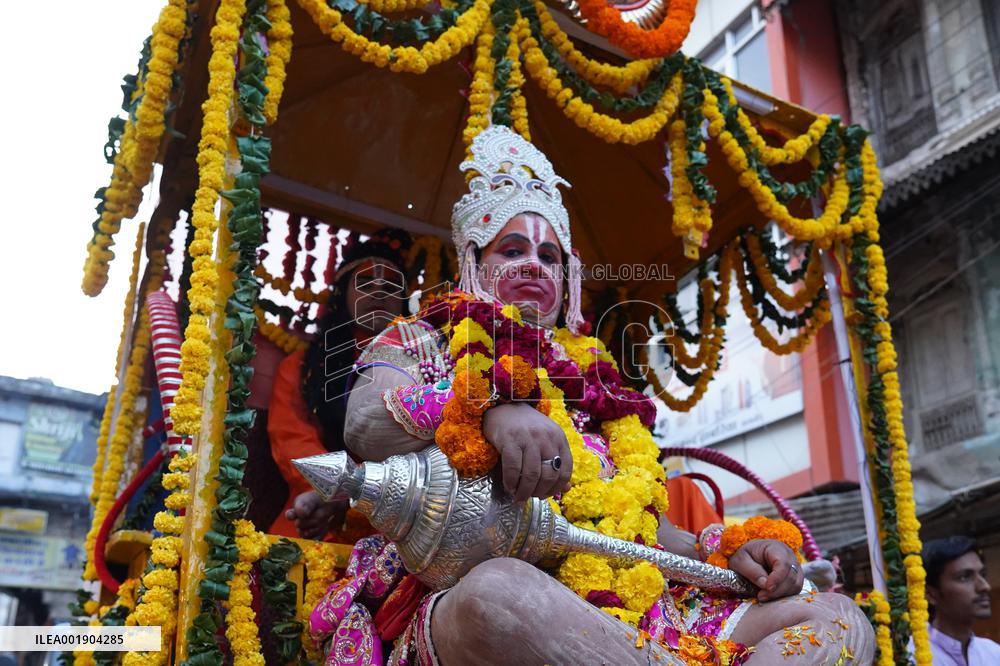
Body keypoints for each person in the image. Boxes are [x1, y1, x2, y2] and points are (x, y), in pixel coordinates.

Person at [308, 126, 874, 665]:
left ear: (568, 278)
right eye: (511, 251)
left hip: (636, 613)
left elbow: (641, 532)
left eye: (550, 257)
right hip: (483, 590)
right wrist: (491, 410)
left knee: (835, 618)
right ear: (473, 263)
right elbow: (364, 426)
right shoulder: (419, 338)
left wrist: (727, 553)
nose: (533, 263)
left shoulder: (592, 382)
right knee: (498, 598)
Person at [267, 228, 411, 539]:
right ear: (342, 294)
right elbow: (292, 439)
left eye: (390, 286)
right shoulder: (301, 368)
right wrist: (338, 490)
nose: (378, 292)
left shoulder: (427, 368)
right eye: (365, 283)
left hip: (400, 525)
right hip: (316, 510)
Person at [922, 536, 999, 665]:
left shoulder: (993, 654)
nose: (985, 586)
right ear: (931, 594)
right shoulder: (909, 657)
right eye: (965, 577)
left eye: (983, 574)